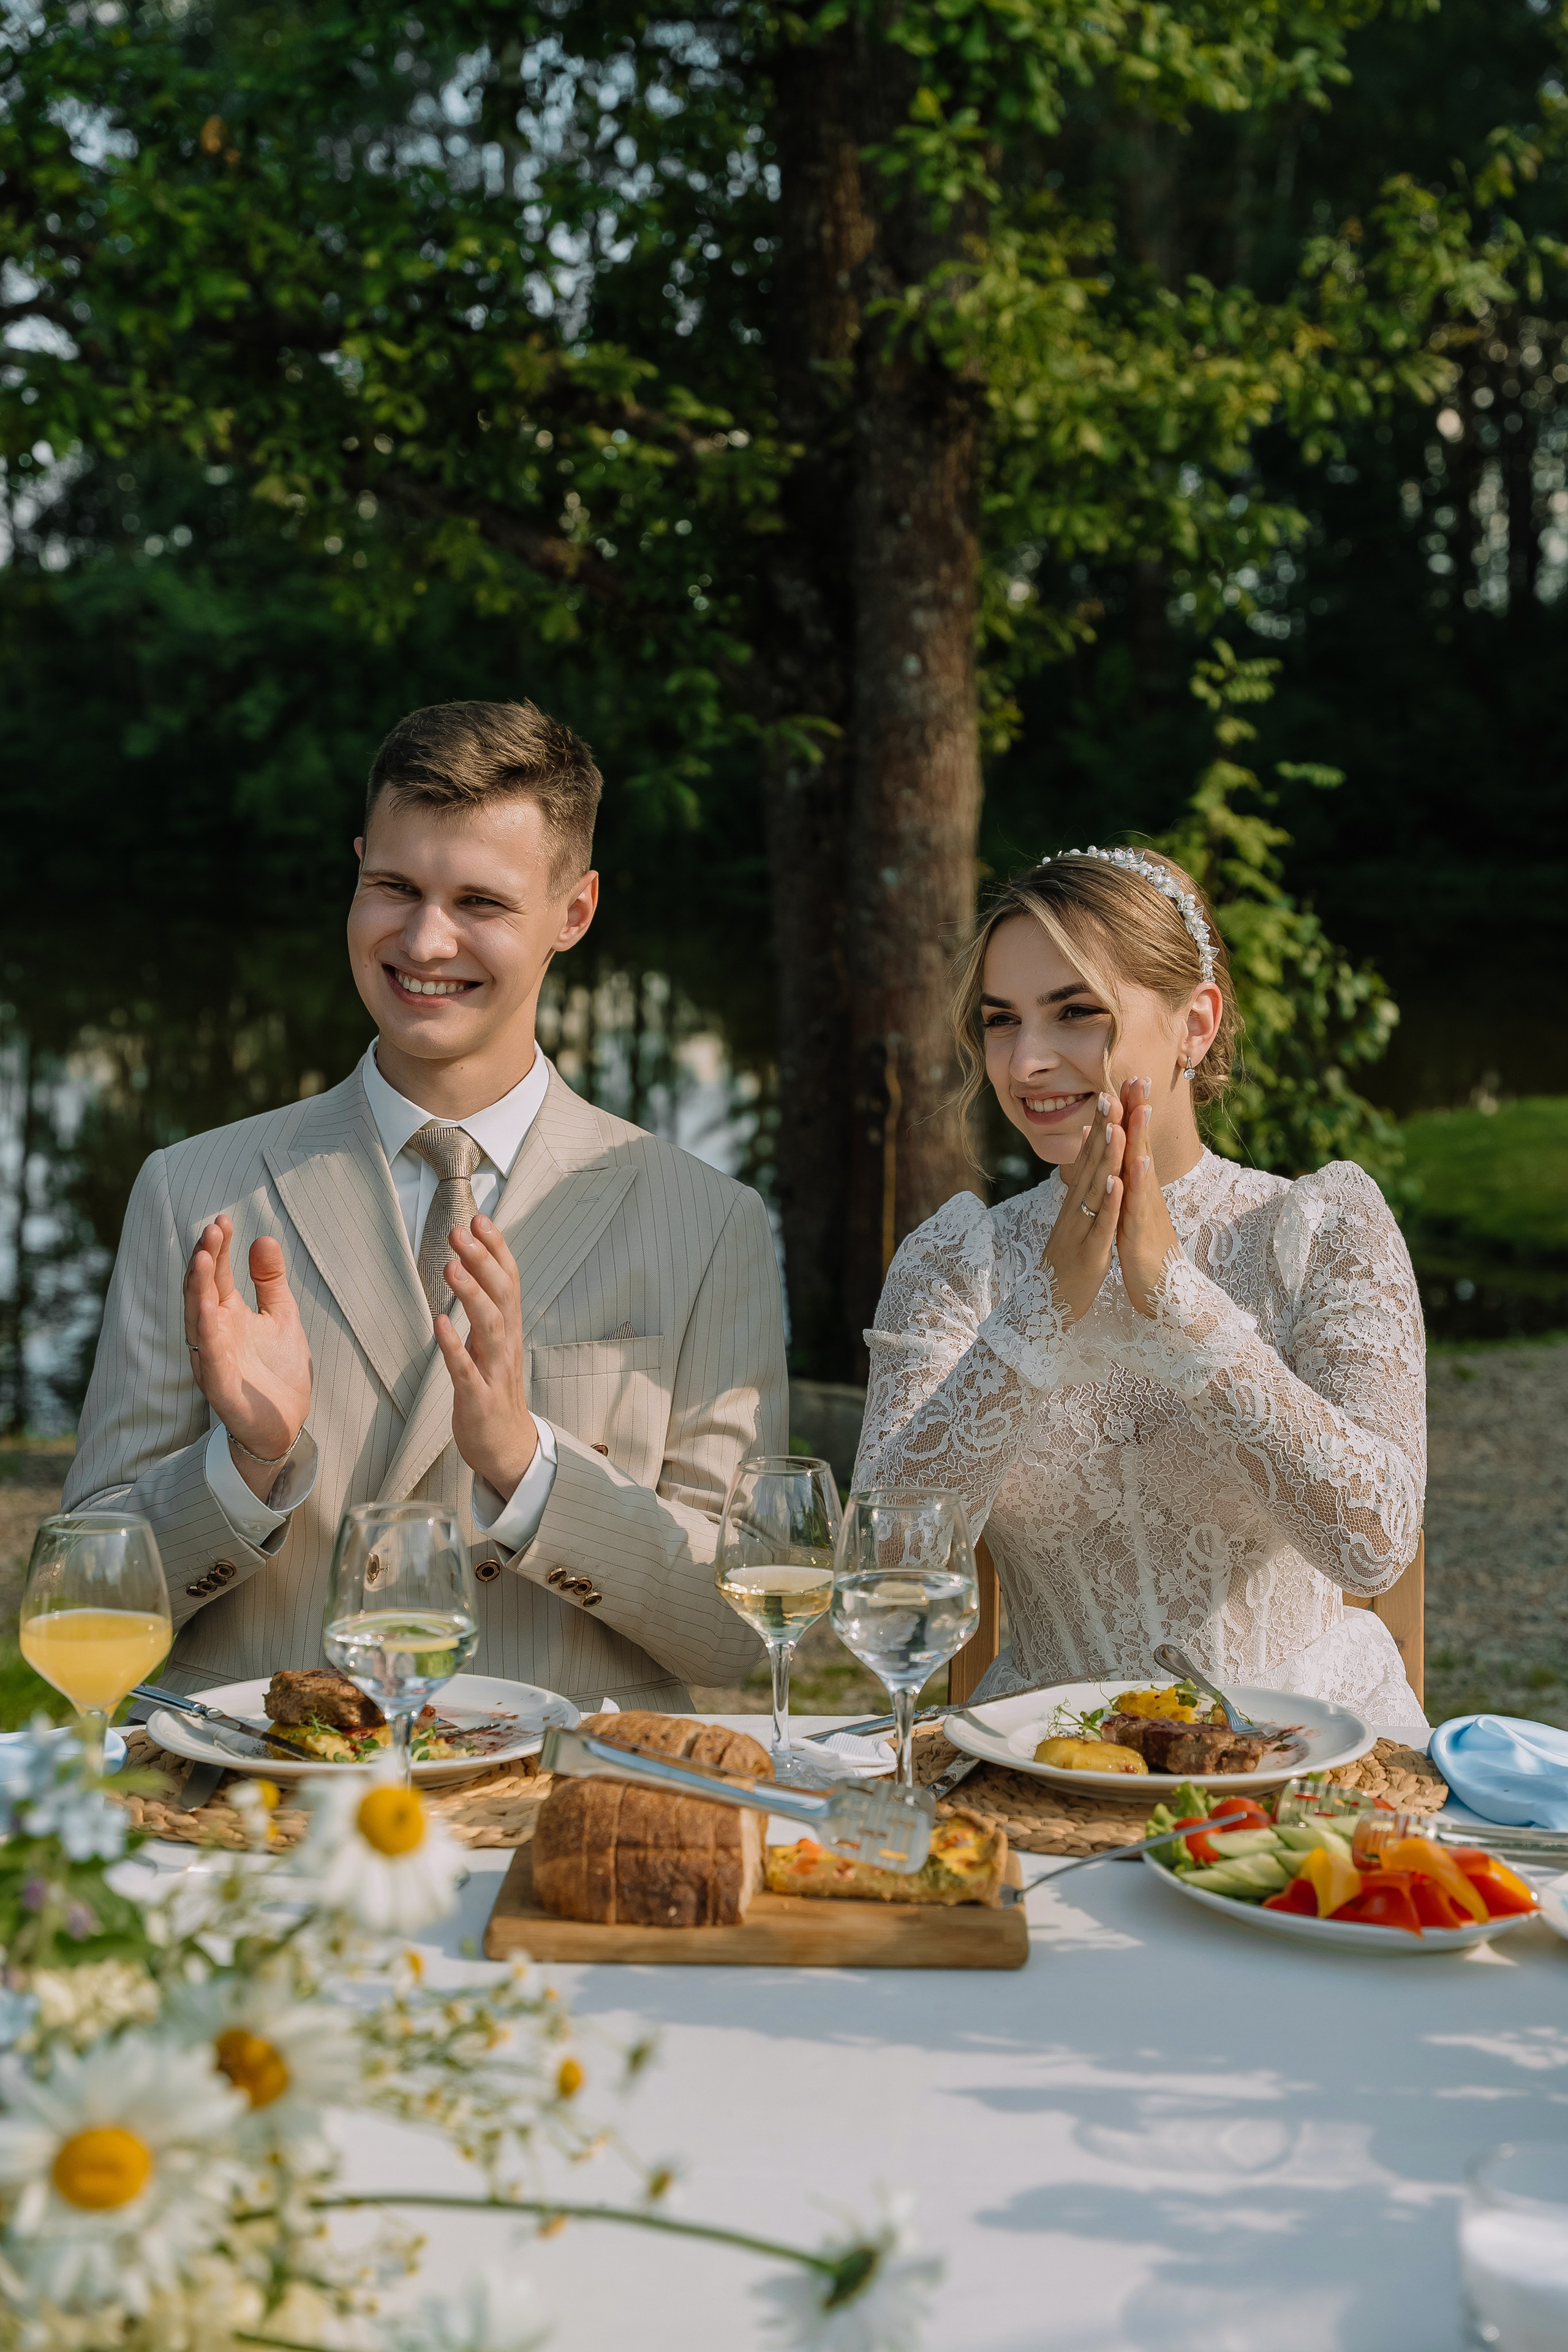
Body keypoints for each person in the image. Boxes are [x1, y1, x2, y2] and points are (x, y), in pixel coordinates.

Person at [65, 701, 786, 1711]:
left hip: (562, 1809)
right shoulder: (193, 1190)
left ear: (573, 913)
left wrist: (529, 1468)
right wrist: (246, 1464)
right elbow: (82, 1583)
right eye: (393, 887)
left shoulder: (709, 1222)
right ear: (356, 870)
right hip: (256, 1810)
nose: (425, 939)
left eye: (480, 902)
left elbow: (733, 1637)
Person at [853, 846, 1427, 1728]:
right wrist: (1035, 1320)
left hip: (1305, 1756)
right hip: (1042, 1760)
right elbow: (881, 1571)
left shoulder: (1319, 1229)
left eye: (1075, 1013)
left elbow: (1376, 1545)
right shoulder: (955, 1259)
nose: (1026, 1062)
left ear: (1196, 1024)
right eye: (1001, 1021)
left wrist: (1180, 1304)